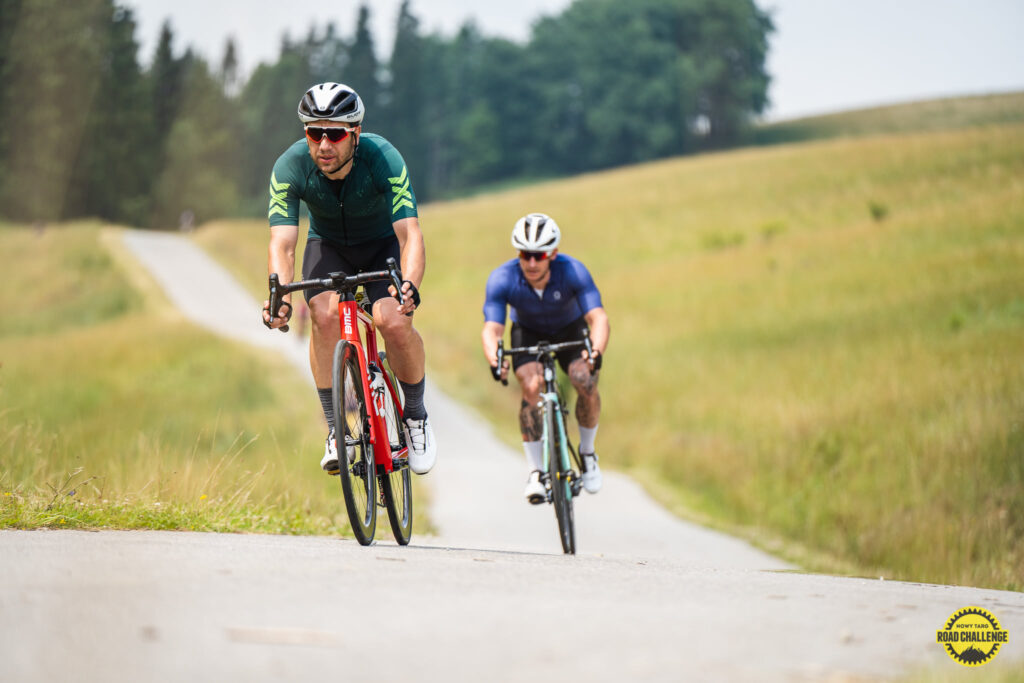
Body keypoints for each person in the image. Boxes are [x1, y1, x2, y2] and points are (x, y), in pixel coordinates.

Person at [263, 82, 436, 475]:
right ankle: (336, 429)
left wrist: (409, 285)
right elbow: (283, 244)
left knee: (391, 319)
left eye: (335, 133)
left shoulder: (383, 158)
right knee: (323, 316)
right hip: (329, 246)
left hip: (382, 247)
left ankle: (415, 416)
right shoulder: (290, 167)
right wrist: (279, 297)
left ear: (355, 133)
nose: (324, 144)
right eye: (314, 132)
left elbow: (410, 234)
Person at [481, 213, 610, 503]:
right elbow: (493, 328)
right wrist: (495, 358)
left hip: (570, 330)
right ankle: (537, 472)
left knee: (584, 380)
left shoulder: (573, 271)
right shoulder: (503, 278)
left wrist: (596, 350)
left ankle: (587, 454)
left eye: (539, 256)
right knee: (531, 385)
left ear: (552, 253)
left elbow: (598, 317)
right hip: (528, 333)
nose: (531, 263)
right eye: (525, 255)